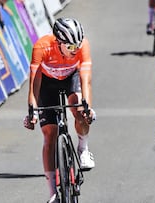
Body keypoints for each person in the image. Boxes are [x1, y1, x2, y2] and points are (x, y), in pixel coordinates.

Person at [23, 17, 96, 203]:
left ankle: (83, 148)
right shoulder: (42, 47)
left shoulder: (82, 46)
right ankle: (52, 193)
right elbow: (34, 82)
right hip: (47, 83)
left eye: (78, 45)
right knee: (50, 134)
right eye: (71, 47)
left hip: (71, 77)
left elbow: (85, 78)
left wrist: (87, 105)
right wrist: (31, 110)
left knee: (79, 110)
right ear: (59, 42)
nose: (76, 50)